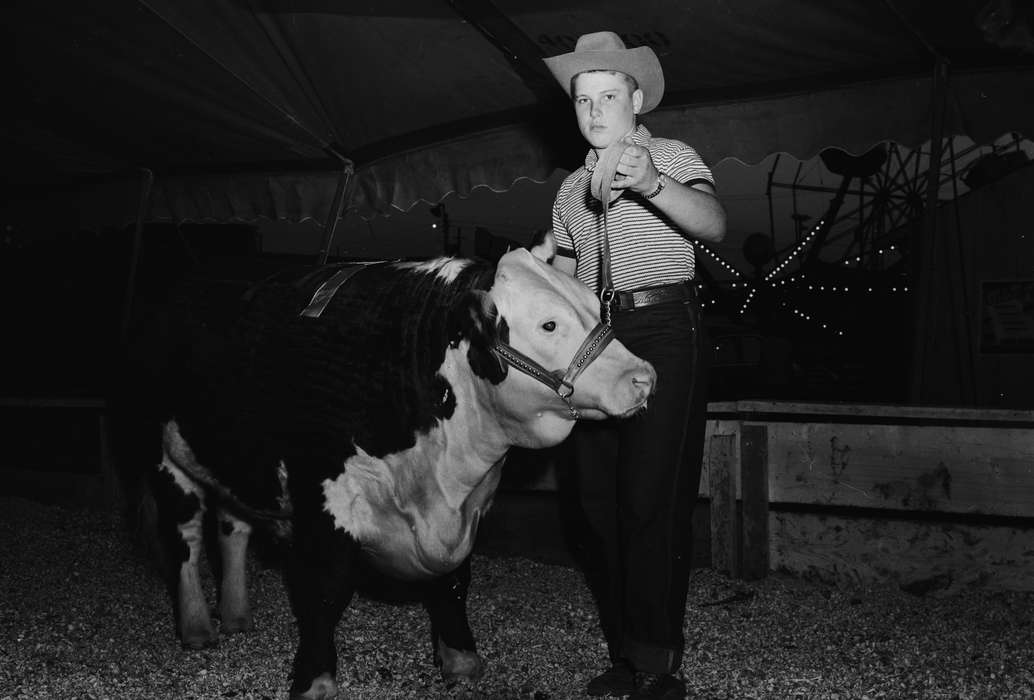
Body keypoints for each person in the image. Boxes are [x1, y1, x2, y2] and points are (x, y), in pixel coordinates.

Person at [542, 32, 726, 699]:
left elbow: (713, 223)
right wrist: (529, 273)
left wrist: (652, 183)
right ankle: (625, 654)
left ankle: (656, 662)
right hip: (594, 338)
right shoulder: (569, 190)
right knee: (597, 501)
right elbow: (561, 281)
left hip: (663, 327)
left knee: (652, 496)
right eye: (583, 100)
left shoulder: (672, 155)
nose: (594, 112)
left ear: (636, 99)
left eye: (608, 97)